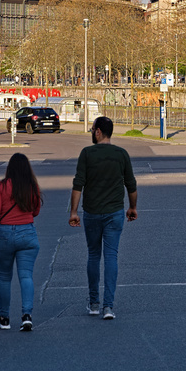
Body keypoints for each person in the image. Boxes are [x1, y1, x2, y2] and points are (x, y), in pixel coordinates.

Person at [69, 115, 137, 320]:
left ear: (98, 132)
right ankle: (108, 307)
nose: (91, 132)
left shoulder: (87, 153)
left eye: (92, 129)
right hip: (115, 213)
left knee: (93, 255)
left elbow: (78, 184)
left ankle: (94, 303)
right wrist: (133, 207)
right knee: (111, 256)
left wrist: (74, 211)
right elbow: (131, 185)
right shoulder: (121, 154)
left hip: (91, 213)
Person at [0, 152, 43, 331]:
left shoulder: (0, 187)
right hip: (27, 232)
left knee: (4, 277)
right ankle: (27, 315)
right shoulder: (32, 186)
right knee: (26, 276)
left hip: (5, 234)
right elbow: (36, 211)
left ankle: (4, 317)